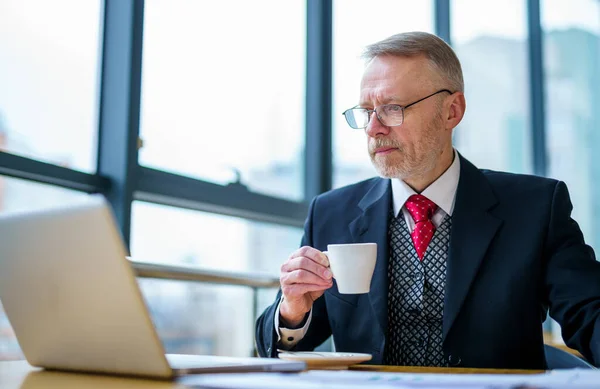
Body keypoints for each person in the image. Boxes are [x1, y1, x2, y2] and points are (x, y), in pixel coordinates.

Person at [255, 32, 600, 369]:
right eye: (366, 111)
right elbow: (282, 346)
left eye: (392, 108)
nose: (374, 128)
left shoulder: (536, 207)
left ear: (452, 111)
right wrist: (292, 311)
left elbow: (589, 313)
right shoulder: (330, 213)